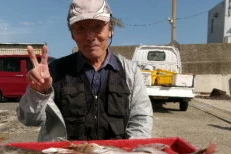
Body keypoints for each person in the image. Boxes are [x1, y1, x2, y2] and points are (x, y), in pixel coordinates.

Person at [17, 0, 153, 141]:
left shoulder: (130, 71)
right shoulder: (54, 71)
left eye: (97, 27)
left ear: (110, 30)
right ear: (72, 35)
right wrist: (38, 93)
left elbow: (141, 119)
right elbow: (28, 120)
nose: (90, 37)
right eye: (80, 28)